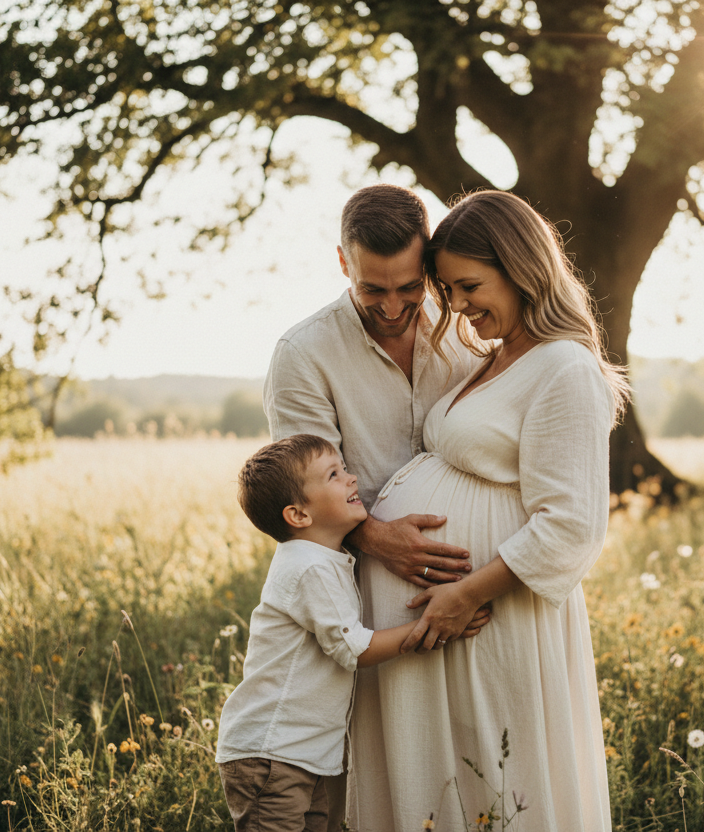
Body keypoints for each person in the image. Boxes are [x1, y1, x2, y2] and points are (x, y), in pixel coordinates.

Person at [347, 190, 630, 832]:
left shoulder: (564, 367)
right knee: (449, 780)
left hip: (491, 619)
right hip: (451, 621)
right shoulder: (497, 356)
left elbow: (572, 525)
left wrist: (466, 594)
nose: (458, 306)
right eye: (447, 290)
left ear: (523, 268)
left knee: (500, 779)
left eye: (470, 285)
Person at [261, 183, 483, 827]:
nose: (392, 307)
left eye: (410, 287)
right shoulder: (303, 354)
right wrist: (382, 540)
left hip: (466, 578)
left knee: (465, 749)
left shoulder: (468, 327)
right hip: (356, 591)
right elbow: (303, 491)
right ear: (342, 263)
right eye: (372, 289)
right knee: (374, 756)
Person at [215, 434, 491, 831]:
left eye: (344, 469)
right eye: (333, 474)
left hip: (299, 754)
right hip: (272, 756)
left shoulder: (324, 559)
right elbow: (355, 650)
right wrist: (433, 625)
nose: (352, 478)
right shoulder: (309, 568)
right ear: (298, 515)